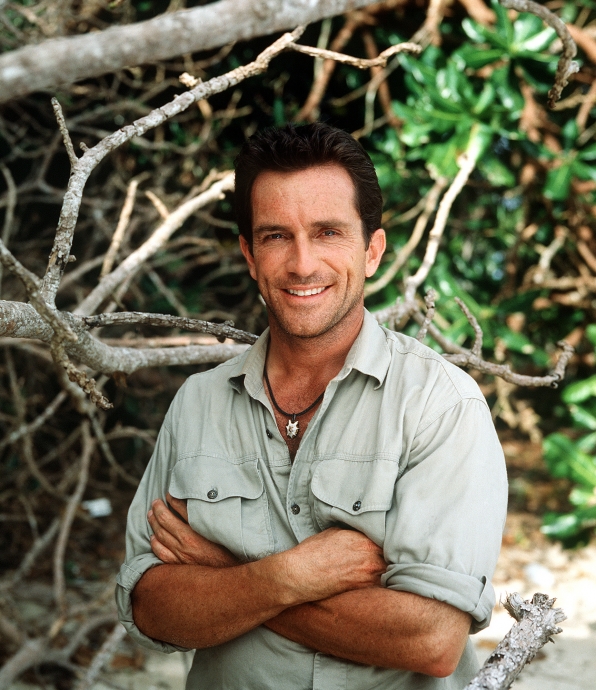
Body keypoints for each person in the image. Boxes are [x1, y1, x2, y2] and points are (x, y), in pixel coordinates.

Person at [116, 122, 508, 690]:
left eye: (328, 233)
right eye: (277, 236)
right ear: (250, 255)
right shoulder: (197, 405)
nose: (302, 264)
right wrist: (285, 578)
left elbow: (431, 639)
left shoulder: (439, 406)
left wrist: (227, 576)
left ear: (372, 250)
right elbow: (150, 607)